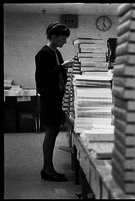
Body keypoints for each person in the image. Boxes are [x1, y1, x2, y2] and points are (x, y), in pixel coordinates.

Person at [35, 22, 75, 182]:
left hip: (57, 98)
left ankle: (48, 168)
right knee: (51, 133)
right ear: (54, 37)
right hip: (49, 99)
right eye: (63, 39)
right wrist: (62, 67)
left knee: (54, 132)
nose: (65, 42)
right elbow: (42, 79)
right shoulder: (43, 53)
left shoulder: (56, 53)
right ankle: (47, 169)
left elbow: (60, 75)